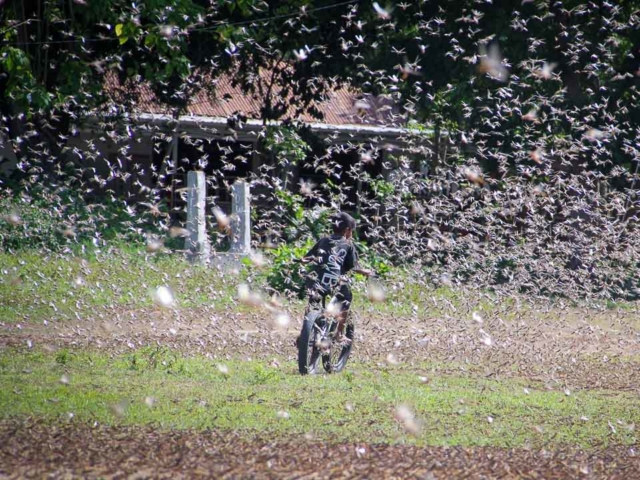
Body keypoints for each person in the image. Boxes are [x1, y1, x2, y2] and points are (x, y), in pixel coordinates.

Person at [297, 212, 374, 347]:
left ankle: (303, 334)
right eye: (352, 231)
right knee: (346, 298)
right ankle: (338, 333)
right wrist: (365, 272)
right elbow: (354, 267)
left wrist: (303, 261)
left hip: (317, 280)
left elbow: (308, 257)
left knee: (312, 303)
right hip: (335, 281)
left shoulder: (323, 240)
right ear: (347, 230)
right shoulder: (348, 244)